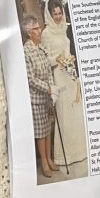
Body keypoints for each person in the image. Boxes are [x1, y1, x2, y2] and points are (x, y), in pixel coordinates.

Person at [41, 0, 87, 170]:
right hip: (58, 76)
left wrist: (70, 61)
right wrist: (57, 59)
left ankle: (80, 151)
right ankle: (65, 155)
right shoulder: (46, 33)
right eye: (55, 13)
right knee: (64, 115)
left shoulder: (63, 29)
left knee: (75, 112)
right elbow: (46, 60)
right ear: (49, 14)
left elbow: (68, 50)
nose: (58, 16)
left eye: (60, 13)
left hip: (70, 73)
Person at [22, 13, 57, 178]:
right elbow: (30, 79)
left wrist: (52, 87)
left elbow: (49, 69)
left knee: (48, 129)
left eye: (38, 27)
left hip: (47, 97)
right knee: (41, 132)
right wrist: (47, 88)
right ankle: (43, 162)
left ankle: (49, 159)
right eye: (36, 29)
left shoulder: (41, 47)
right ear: (29, 32)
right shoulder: (26, 51)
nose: (39, 30)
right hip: (36, 98)